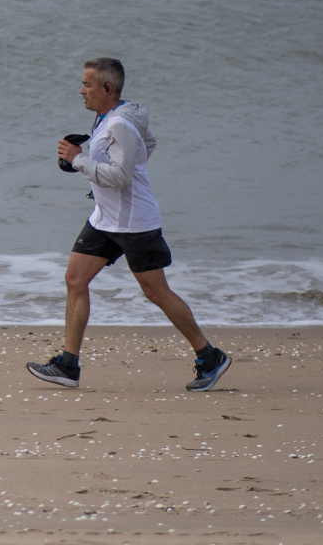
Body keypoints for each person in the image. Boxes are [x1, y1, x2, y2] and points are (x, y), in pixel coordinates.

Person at [27, 57, 230, 392]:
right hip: (105, 219)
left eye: (87, 85)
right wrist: (95, 161)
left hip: (135, 222)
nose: (81, 91)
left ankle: (210, 357)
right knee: (75, 279)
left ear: (108, 88)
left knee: (156, 292)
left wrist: (79, 160)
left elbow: (120, 177)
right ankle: (68, 364)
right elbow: (148, 144)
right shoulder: (108, 117)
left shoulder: (120, 124)